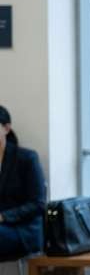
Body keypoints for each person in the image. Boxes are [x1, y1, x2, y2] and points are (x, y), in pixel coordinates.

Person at [0, 105, 47, 259]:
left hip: (23, 230)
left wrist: (3, 217)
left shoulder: (26, 158)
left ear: (6, 128)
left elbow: (38, 204)